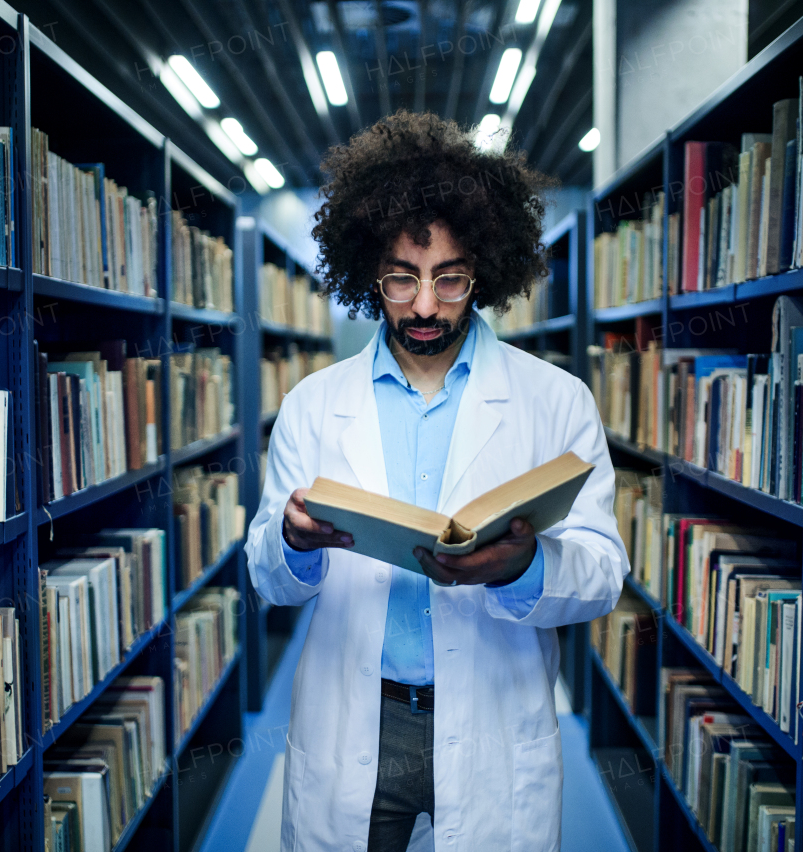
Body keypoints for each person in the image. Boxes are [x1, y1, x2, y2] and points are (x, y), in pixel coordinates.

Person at [244, 111, 628, 852]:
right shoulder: (312, 406)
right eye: (401, 278)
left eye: (449, 279)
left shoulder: (555, 401)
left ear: (483, 268)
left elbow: (604, 572)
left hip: (491, 714)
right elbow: (269, 581)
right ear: (369, 272)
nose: (424, 306)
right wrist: (293, 544)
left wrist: (525, 566)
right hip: (358, 719)